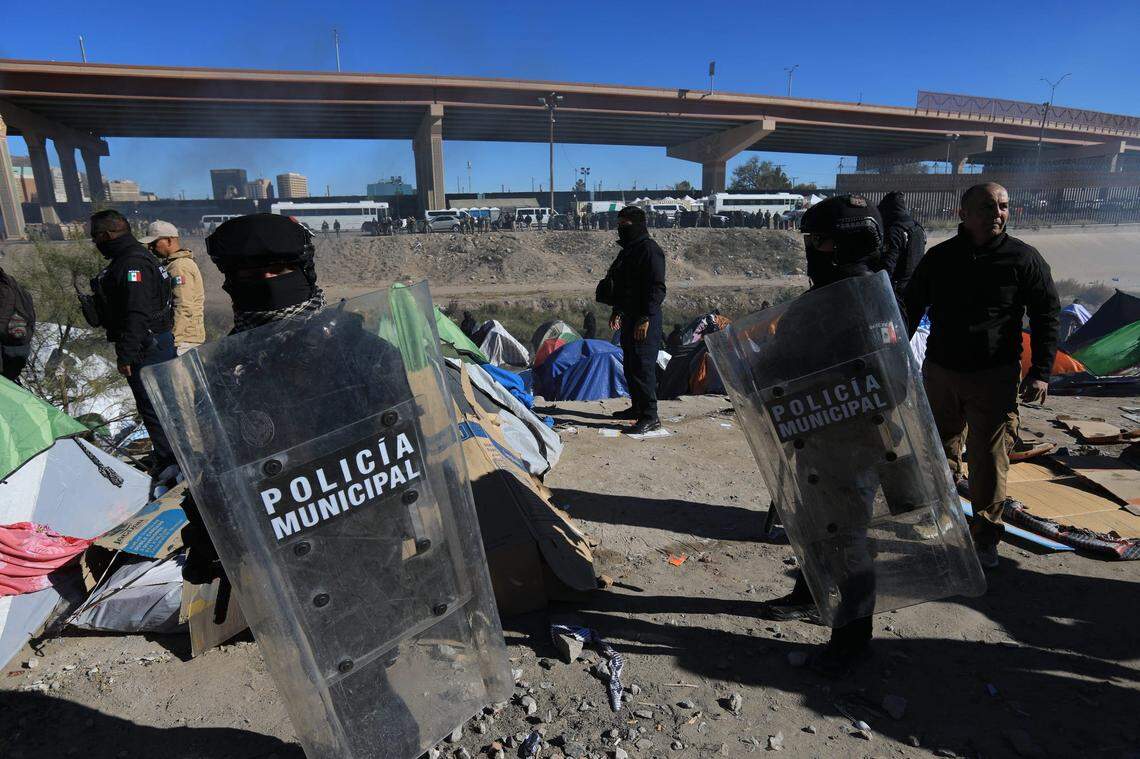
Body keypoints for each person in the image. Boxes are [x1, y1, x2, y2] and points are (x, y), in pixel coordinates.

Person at [753, 194, 898, 676]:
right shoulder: (874, 296)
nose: (810, 250)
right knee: (811, 523)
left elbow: (776, 365)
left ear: (838, 245)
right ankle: (810, 595)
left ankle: (852, 639)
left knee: (845, 536)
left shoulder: (833, 304)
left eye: (816, 241)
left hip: (839, 440)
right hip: (833, 434)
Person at [904, 182, 1059, 568]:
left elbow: (1046, 316)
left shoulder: (1023, 259)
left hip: (994, 376)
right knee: (940, 449)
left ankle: (986, 535)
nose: (998, 214)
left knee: (988, 458)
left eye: (1004, 206)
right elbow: (909, 308)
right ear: (964, 213)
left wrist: (1040, 371)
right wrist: (894, 354)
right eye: (988, 207)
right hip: (941, 371)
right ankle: (940, 516)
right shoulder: (940, 258)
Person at [87, 210, 176, 476]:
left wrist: (126, 354)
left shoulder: (131, 264)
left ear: (106, 235)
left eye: (95, 237)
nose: (95, 242)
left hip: (146, 346)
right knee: (165, 405)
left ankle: (170, 463)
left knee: (153, 407)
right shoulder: (136, 257)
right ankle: (173, 459)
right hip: (155, 342)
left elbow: (137, 312)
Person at [606, 206, 666, 434]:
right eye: (619, 225)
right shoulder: (629, 251)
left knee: (643, 366)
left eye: (625, 226)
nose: (621, 229)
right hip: (630, 316)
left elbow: (656, 288)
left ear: (638, 225)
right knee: (631, 364)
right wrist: (617, 310)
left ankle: (650, 415)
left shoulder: (650, 250)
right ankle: (637, 407)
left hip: (645, 319)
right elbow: (625, 286)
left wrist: (645, 318)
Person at [139, 220, 205, 356]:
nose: (150, 248)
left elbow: (184, 305)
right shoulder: (173, 265)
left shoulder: (179, 267)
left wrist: (174, 339)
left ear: (169, 240)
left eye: (154, 243)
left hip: (184, 341)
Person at [877, 191, 926, 299]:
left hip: (898, 293)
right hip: (915, 288)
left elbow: (887, 266)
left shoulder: (894, 231)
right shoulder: (917, 227)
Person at [0, 265, 35, 384]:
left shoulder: (5, 289)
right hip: (18, 354)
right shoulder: (17, 288)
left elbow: (2, 325)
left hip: (6, 358)